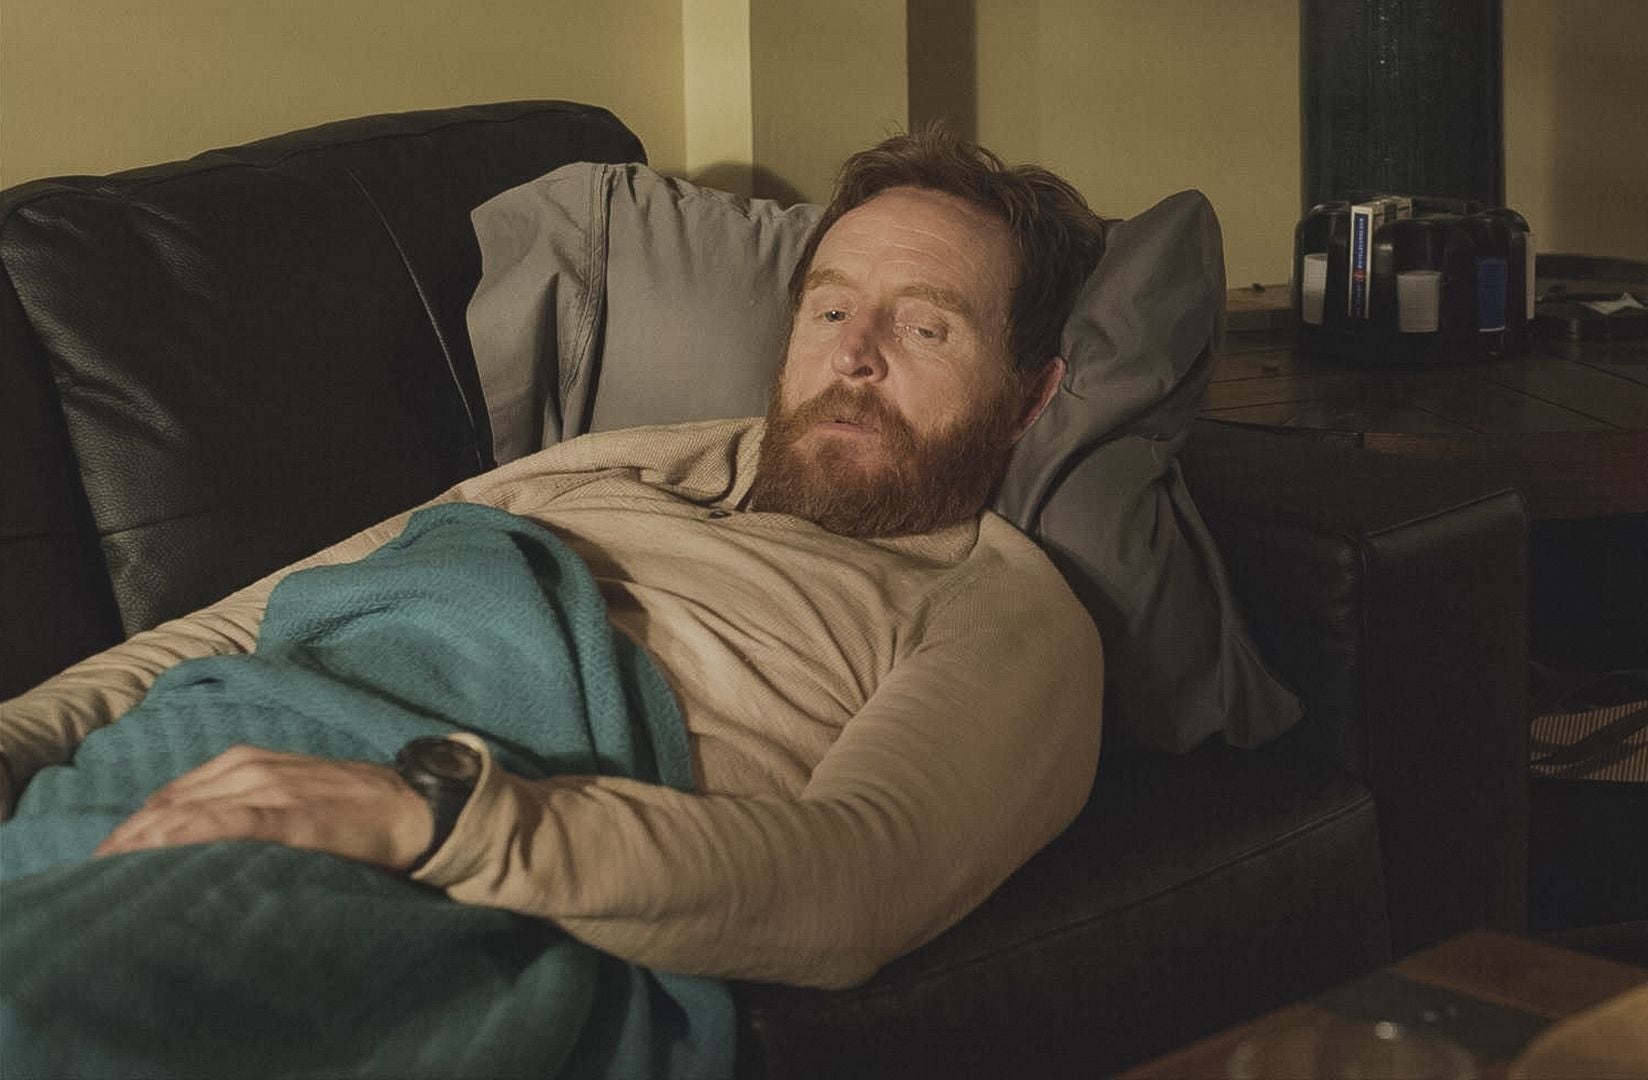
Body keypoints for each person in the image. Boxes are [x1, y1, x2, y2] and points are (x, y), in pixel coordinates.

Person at [0, 129, 1109, 990]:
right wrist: (17, 740)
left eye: (925, 328)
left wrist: (430, 816)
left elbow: (855, 883)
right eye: (829, 310)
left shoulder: (997, 610)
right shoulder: (624, 459)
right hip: (209, 742)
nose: (852, 356)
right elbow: (252, 619)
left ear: (1029, 398)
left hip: (422, 849)